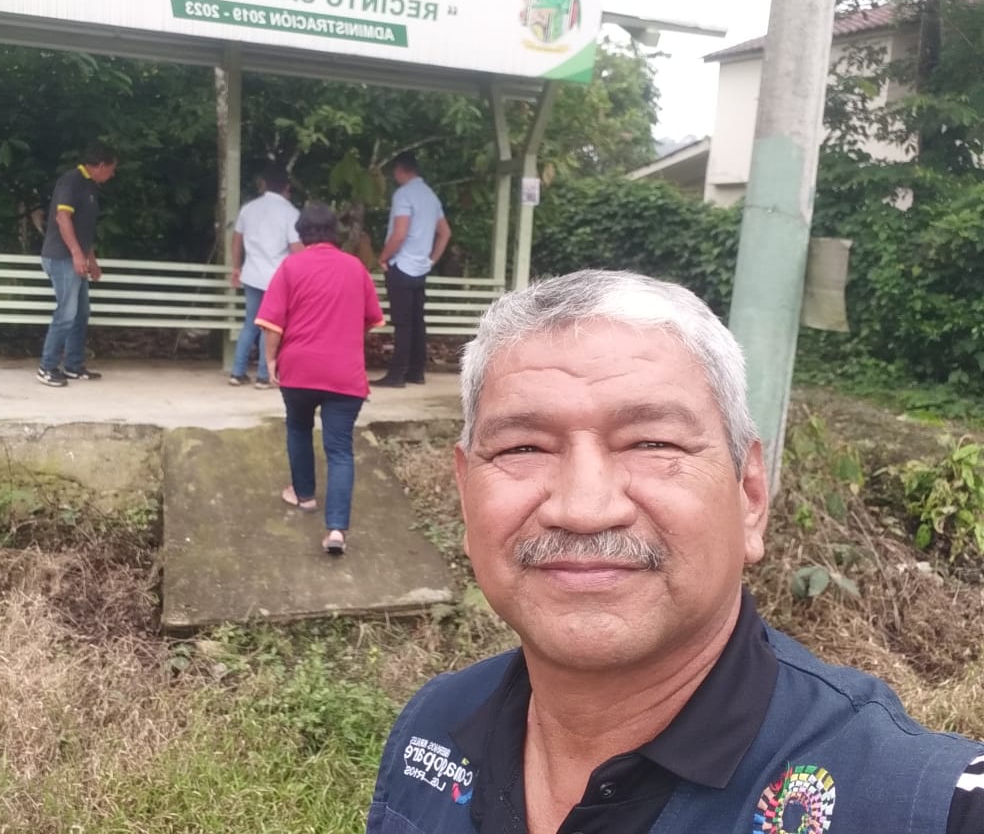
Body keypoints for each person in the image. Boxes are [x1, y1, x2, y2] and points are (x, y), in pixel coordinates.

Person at [366, 269, 984, 833]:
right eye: (522, 448)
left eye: (652, 442)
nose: (584, 508)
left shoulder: (916, 802)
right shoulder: (435, 727)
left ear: (750, 495)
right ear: (466, 494)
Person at [255, 203, 385, 555]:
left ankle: (304, 495)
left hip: (298, 370)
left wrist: (271, 361)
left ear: (301, 234)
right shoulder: (355, 268)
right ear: (334, 233)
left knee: (298, 427)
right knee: (340, 449)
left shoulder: (291, 266)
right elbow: (371, 319)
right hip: (345, 374)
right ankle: (337, 531)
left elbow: (272, 324)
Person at [36, 143, 117, 387]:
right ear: (100, 166)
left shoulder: (91, 187)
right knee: (66, 312)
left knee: (81, 314)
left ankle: (73, 365)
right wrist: (76, 254)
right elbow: (63, 218)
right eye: (111, 169)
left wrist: (91, 259)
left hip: (75, 257)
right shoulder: (71, 181)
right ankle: (47, 367)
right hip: (61, 257)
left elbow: (84, 230)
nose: (112, 174)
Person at [371, 151, 451, 388]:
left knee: (402, 323)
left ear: (400, 170)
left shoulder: (403, 194)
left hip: (402, 265)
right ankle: (416, 371)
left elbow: (399, 233)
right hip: (420, 268)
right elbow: (445, 233)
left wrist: (383, 257)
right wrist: (431, 260)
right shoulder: (430, 196)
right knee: (417, 321)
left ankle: (396, 374)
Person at [228, 167, 301, 389]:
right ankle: (263, 375)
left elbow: (236, 240)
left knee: (250, 323)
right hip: (277, 278)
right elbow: (296, 248)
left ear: (264, 185)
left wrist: (236, 267)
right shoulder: (291, 213)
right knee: (270, 326)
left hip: (251, 274)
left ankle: (237, 372)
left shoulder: (248, 208)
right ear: (287, 187)